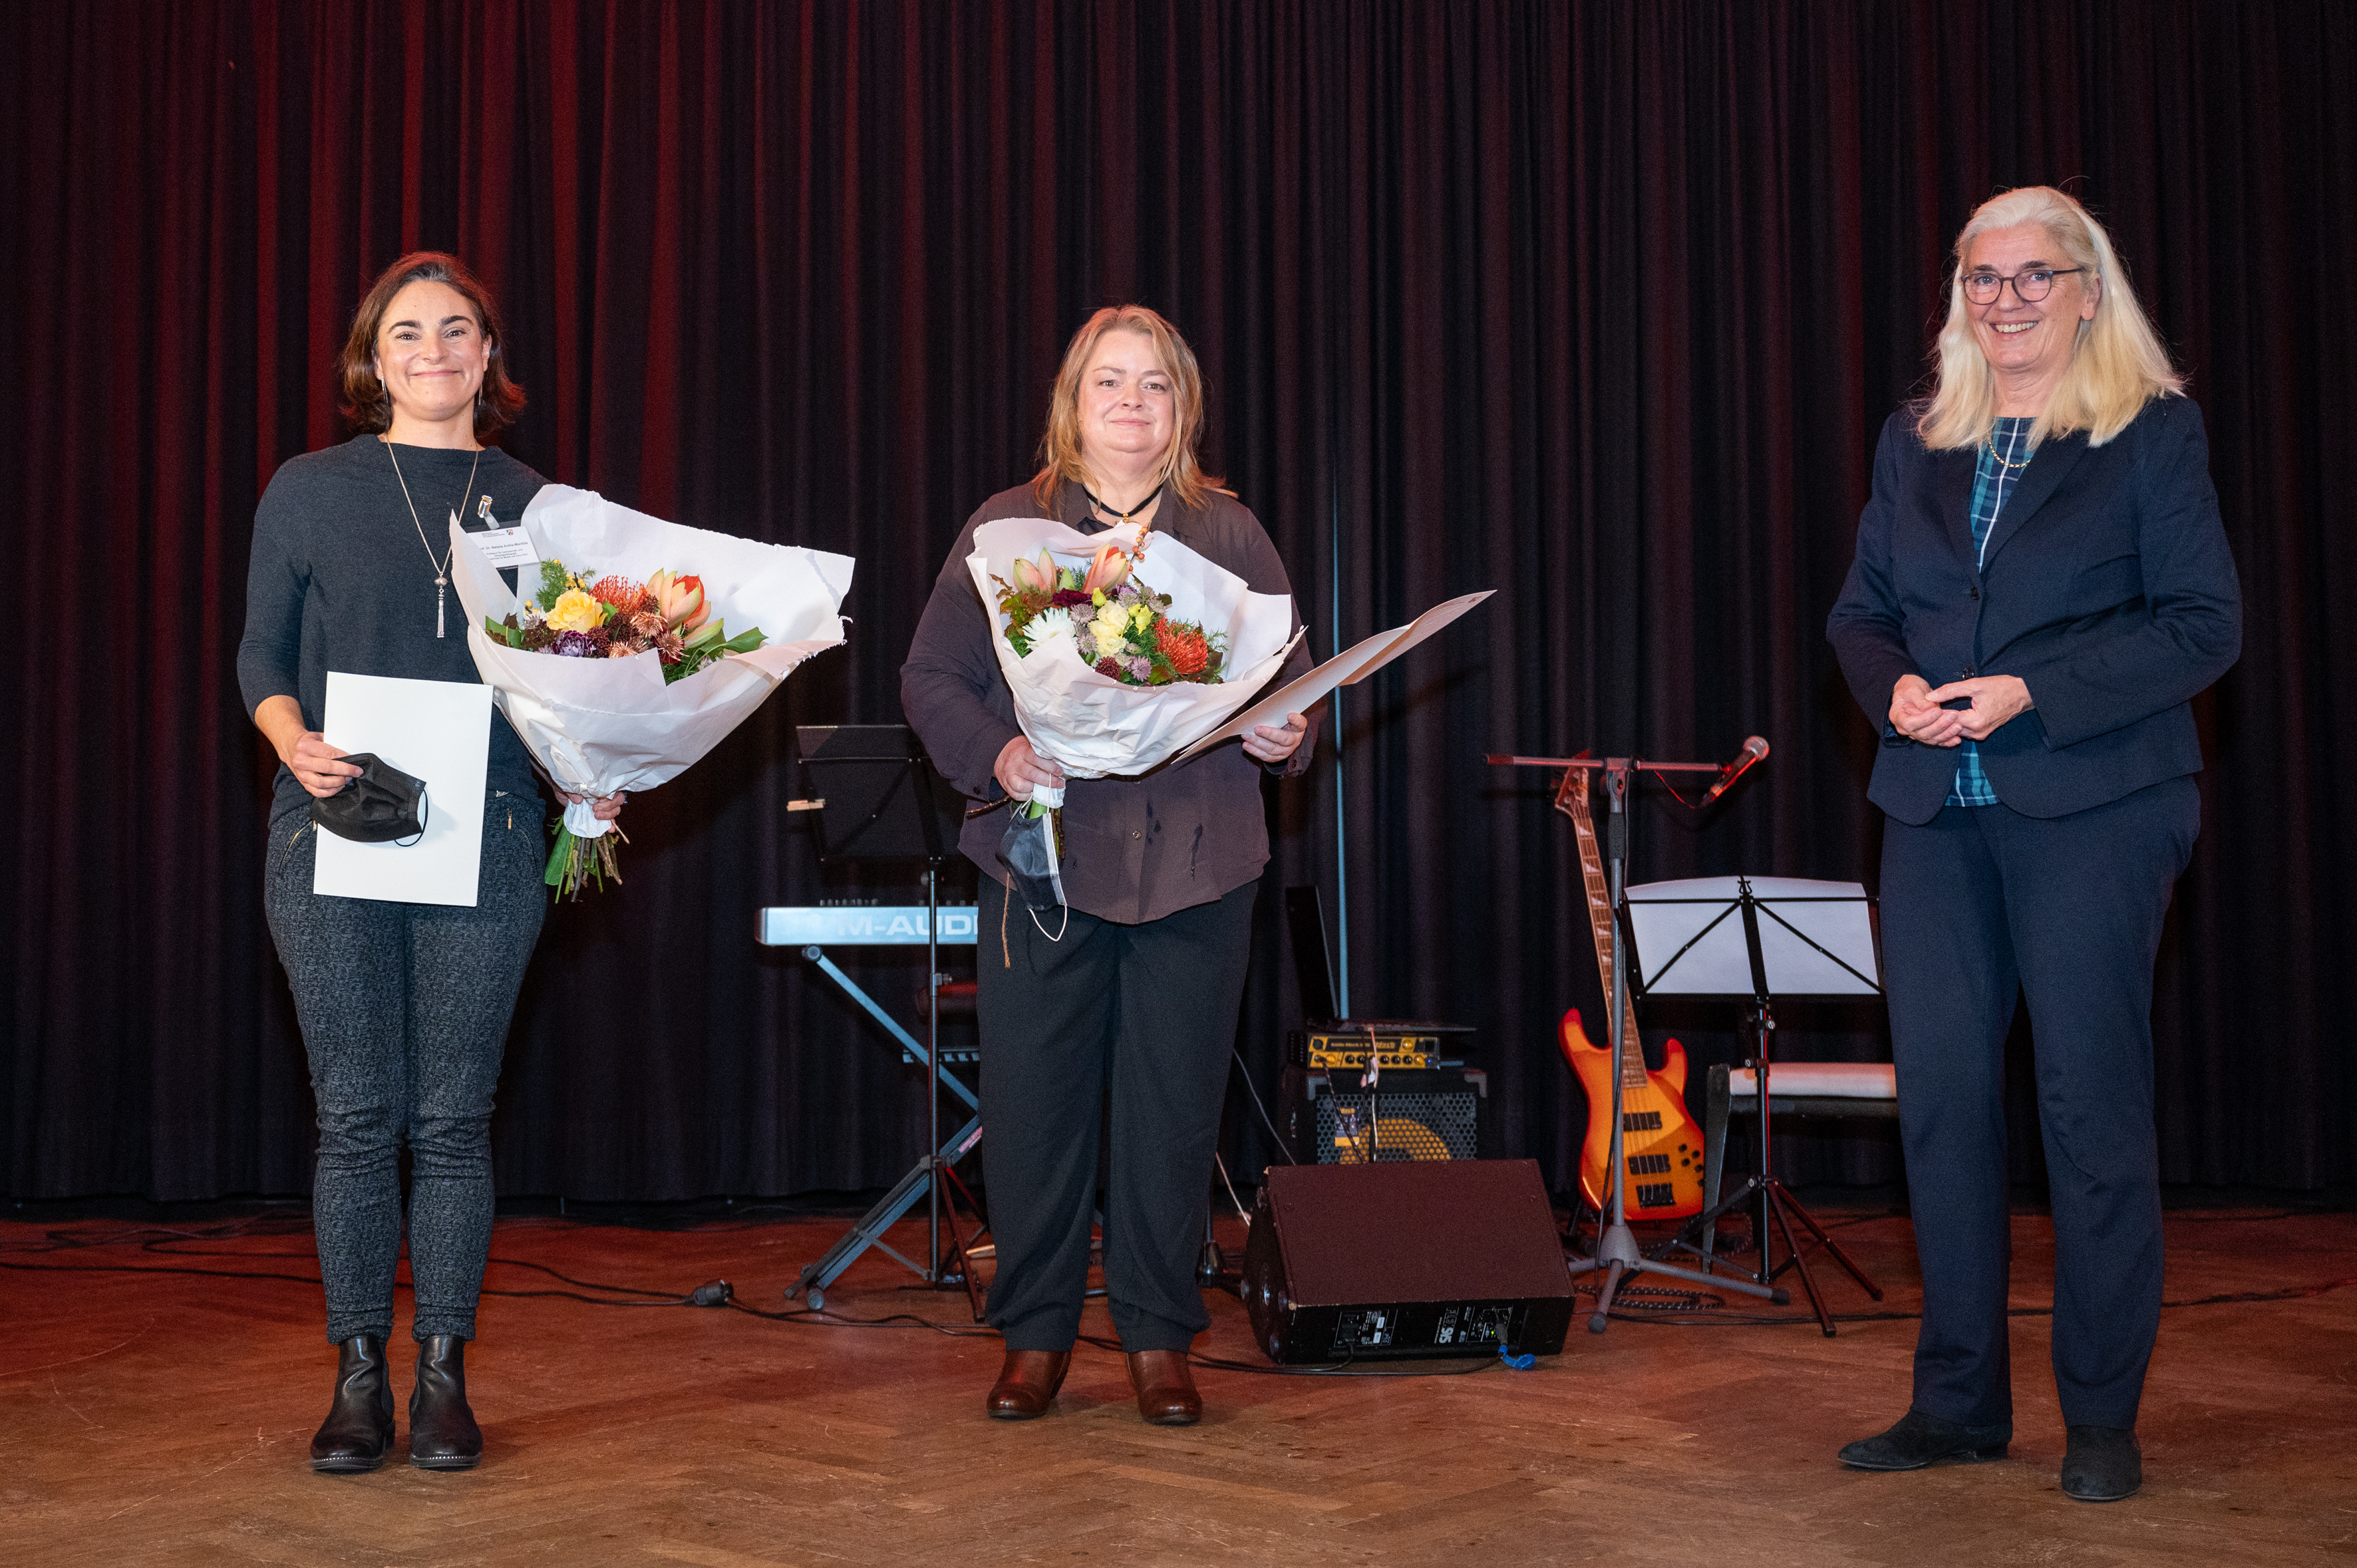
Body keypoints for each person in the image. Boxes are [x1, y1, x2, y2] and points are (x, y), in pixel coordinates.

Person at [1825, 187, 2240, 1501]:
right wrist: (1886, 684)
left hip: (2094, 804)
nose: (2003, 301)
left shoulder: (2148, 435)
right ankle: (1955, 1405)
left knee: (2084, 1111)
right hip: (1931, 809)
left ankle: (2101, 1419)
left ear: (2083, 288)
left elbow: (2199, 627)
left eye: (2030, 277)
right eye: (1980, 279)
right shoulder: (1918, 440)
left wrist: (2030, 693)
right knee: (1943, 1114)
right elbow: (1860, 612)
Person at [237, 253, 623, 1474]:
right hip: (332, 825)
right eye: (407, 332)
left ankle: (443, 1376)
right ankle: (358, 1377)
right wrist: (293, 741)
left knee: (453, 1118)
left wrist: (595, 766)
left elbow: (577, 676)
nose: (433, 350)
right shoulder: (309, 489)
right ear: (374, 357)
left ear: (487, 354)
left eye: (457, 329)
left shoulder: (541, 503)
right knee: (356, 1116)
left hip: (493, 831)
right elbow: (260, 657)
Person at [902, 305, 1317, 1426]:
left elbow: (1291, 688)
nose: (1132, 405)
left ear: (1184, 408)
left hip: (1200, 860)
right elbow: (930, 679)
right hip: (1043, 861)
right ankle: (1032, 1336)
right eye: (1109, 384)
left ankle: (1157, 1335)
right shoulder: (1004, 529)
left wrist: (1286, 732)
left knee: (1174, 1109)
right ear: (1071, 403)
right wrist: (998, 748)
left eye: (1156, 386)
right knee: (1034, 1110)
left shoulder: (1230, 535)